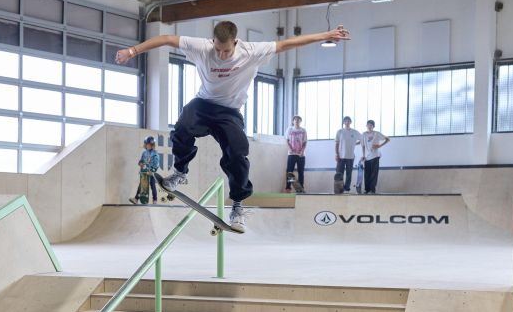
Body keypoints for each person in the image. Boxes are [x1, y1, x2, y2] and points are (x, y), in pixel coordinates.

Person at [116, 21, 350, 232]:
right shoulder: (202, 47)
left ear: (235, 42)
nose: (221, 54)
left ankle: (238, 205)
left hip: (229, 112)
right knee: (182, 128)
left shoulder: (251, 51)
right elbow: (166, 39)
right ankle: (179, 172)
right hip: (203, 104)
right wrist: (132, 51)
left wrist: (325, 35)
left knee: (238, 153)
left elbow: (287, 43)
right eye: (217, 49)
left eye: (226, 50)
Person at [361, 120, 390, 194]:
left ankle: (372, 190)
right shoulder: (364, 134)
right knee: (367, 174)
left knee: (374, 174)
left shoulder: (377, 133)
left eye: (371, 125)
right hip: (367, 157)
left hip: (375, 156)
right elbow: (363, 146)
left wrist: (380, 145)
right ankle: (367, 190)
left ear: (373, 126)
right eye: (368, 125)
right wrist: (363, 155)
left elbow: (388, 139)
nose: (370, 126)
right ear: (366, 126)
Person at [129, 136, 160, 205]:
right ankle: (136, 199)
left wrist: (152, 171)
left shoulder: (155, 153)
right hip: (144, 172)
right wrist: (140, 164)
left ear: (152, 145)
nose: (148, 146)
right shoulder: (144, 153)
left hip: (151, 173)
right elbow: (141, 161)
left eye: (149, 144)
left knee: (152, 186)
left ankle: (155, 200)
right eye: (147, 144)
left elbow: (157, 164)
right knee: (141, 185)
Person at [334, 116, 361, 193]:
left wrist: (354, 144)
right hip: (341, 156)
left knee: (349, 174)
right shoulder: (340, 132)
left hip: (350, 157)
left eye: (348, 121)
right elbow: (336, 144)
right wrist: (336, 154)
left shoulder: (355, 132)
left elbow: (362, 139)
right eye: (345, 121)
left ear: (350, 122)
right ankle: (339, 189)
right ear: (343, 122)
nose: (347, 122)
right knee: (339, 173)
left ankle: (347, 189)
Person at [285, 115, 307, 192]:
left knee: (301, 172)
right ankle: (288, 188)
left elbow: (305, 142)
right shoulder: (289, 129)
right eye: (295, 120)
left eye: (298, 120)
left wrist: (302, 151)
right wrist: (289, 148)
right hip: (291, 154)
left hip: (301, 155)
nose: (297, 121)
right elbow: (287, 140)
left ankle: (301, 188)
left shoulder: (303, 130)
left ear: (300, 121)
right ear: (293, 121)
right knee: (290, 172)